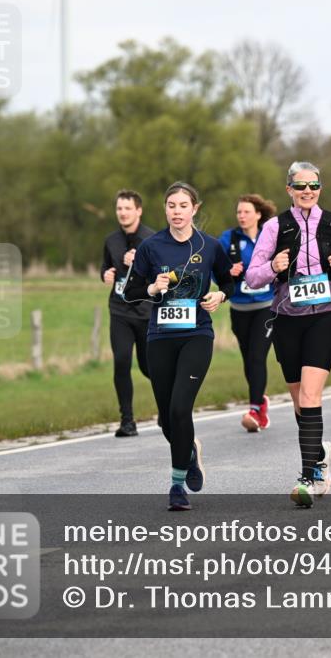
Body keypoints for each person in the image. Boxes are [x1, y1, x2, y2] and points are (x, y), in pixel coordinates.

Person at [245, 161, 331, 507]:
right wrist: (273, 267)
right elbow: (252, 277)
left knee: (312, 395)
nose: (307, 192)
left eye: (313, 186)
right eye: (300, 187)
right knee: (301, 402)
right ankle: (320, 452)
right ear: (289, 190)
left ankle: (309, 475)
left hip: (326, 315)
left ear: (320, 189)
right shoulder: (274, 227)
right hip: (287, 317)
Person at [121, 182, 234, 510]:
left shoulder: (210, 246)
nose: (177, 211)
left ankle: (176, 486)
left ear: (194, 209)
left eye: (183, 205)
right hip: (160, 337)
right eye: (171, 205)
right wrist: (153, 289)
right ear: (165, 209)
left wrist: (219, 294)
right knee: (167, 418)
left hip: (197, 334)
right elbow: (130, 292)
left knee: (181, 408)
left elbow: (228, 281)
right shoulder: (150, 247)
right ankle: (189, 454)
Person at [219, 195, 277, 432]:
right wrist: (227, 271)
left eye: (246, 212)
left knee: (256, 356)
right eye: (239, 212)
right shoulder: (228, 239)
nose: (242, 216)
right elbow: (215, 268)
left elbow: (282, 263)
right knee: (248, 359)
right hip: (239, 308)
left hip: (266, 307)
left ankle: (255, 410)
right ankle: (260, 400)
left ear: (258, 214)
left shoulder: (270, 236)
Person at [100, 189, 155, 438]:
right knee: (121, 362)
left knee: (149, 367)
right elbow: (105, 267)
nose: (122, 213)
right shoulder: (111, 240)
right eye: (119, 209)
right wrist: (106, 275)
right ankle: (127, 421)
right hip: (120, 310)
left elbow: (162, 274)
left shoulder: (151, 239)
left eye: (127, 208)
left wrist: (140, 263)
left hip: (145, 312)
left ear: (138, 211)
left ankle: (167, 410)